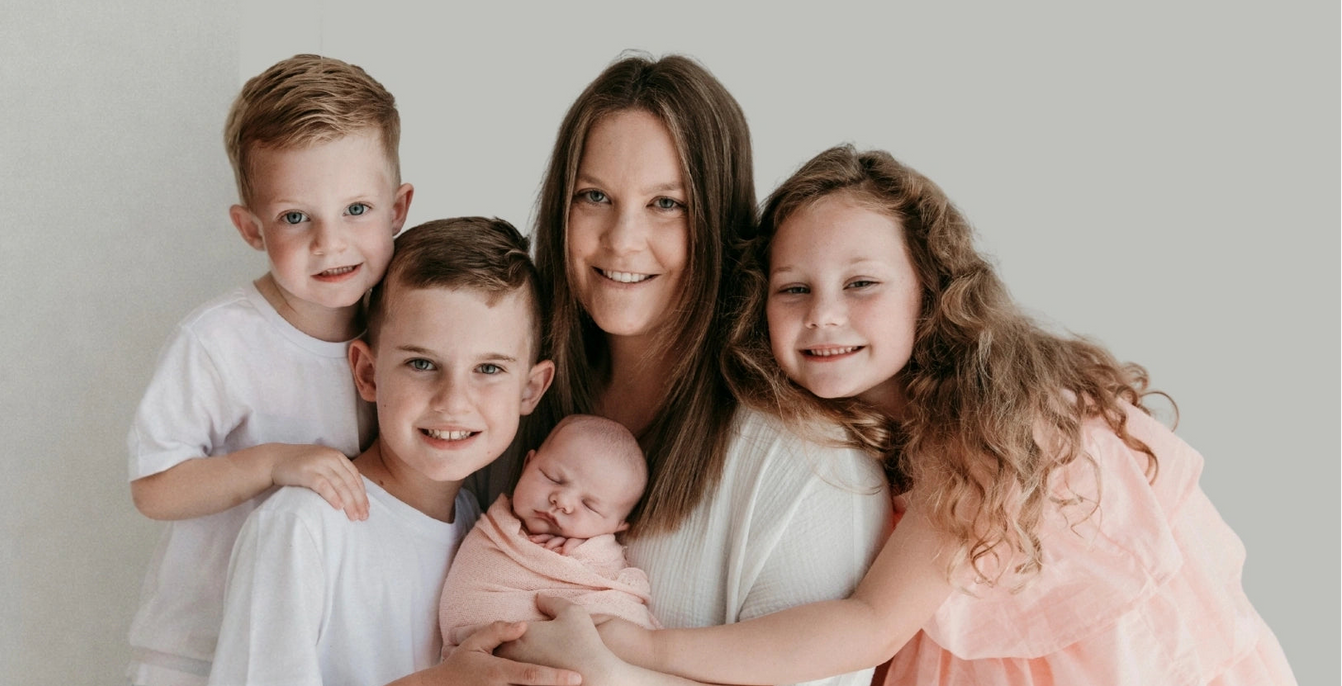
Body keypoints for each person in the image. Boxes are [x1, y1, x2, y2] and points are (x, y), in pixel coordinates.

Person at [594, 144, 1299, 685]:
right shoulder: (831, 434)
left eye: (861, 283)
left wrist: (645, 648)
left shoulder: (989, 427)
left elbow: (869, 625)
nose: (823, 315)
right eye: (794, 289)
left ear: (928, 289)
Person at [489, 54, 892, 686]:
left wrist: (609, 677)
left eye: (666, 203)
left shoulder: (807, 465)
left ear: (718, 223)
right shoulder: (501, 399)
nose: (622, 239)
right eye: (594, 196)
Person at [124, 54, 407, 686]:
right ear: (251, 229)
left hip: (311, 648)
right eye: (295, 217)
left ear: (398, 209)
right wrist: (274, 462)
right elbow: (154, 487)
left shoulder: (400, 337)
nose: (330, 242)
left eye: (357, 209)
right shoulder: (220, 341)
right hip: (198, 651)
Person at [208, 217, 579, 686]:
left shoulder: (485, 529)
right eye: (421, 363)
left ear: (530, 390)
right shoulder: (302, 528)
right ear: (368, 373)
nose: (453, 402)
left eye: (488, 369)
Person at [439, 414, 658, 656]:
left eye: (589, 506)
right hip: (477, 657)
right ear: (527, 464)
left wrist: (587, 552)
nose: (562, 501)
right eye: (553, 478)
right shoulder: (494, 530)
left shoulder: (598, 555)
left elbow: (615, 601)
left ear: (616, 527)